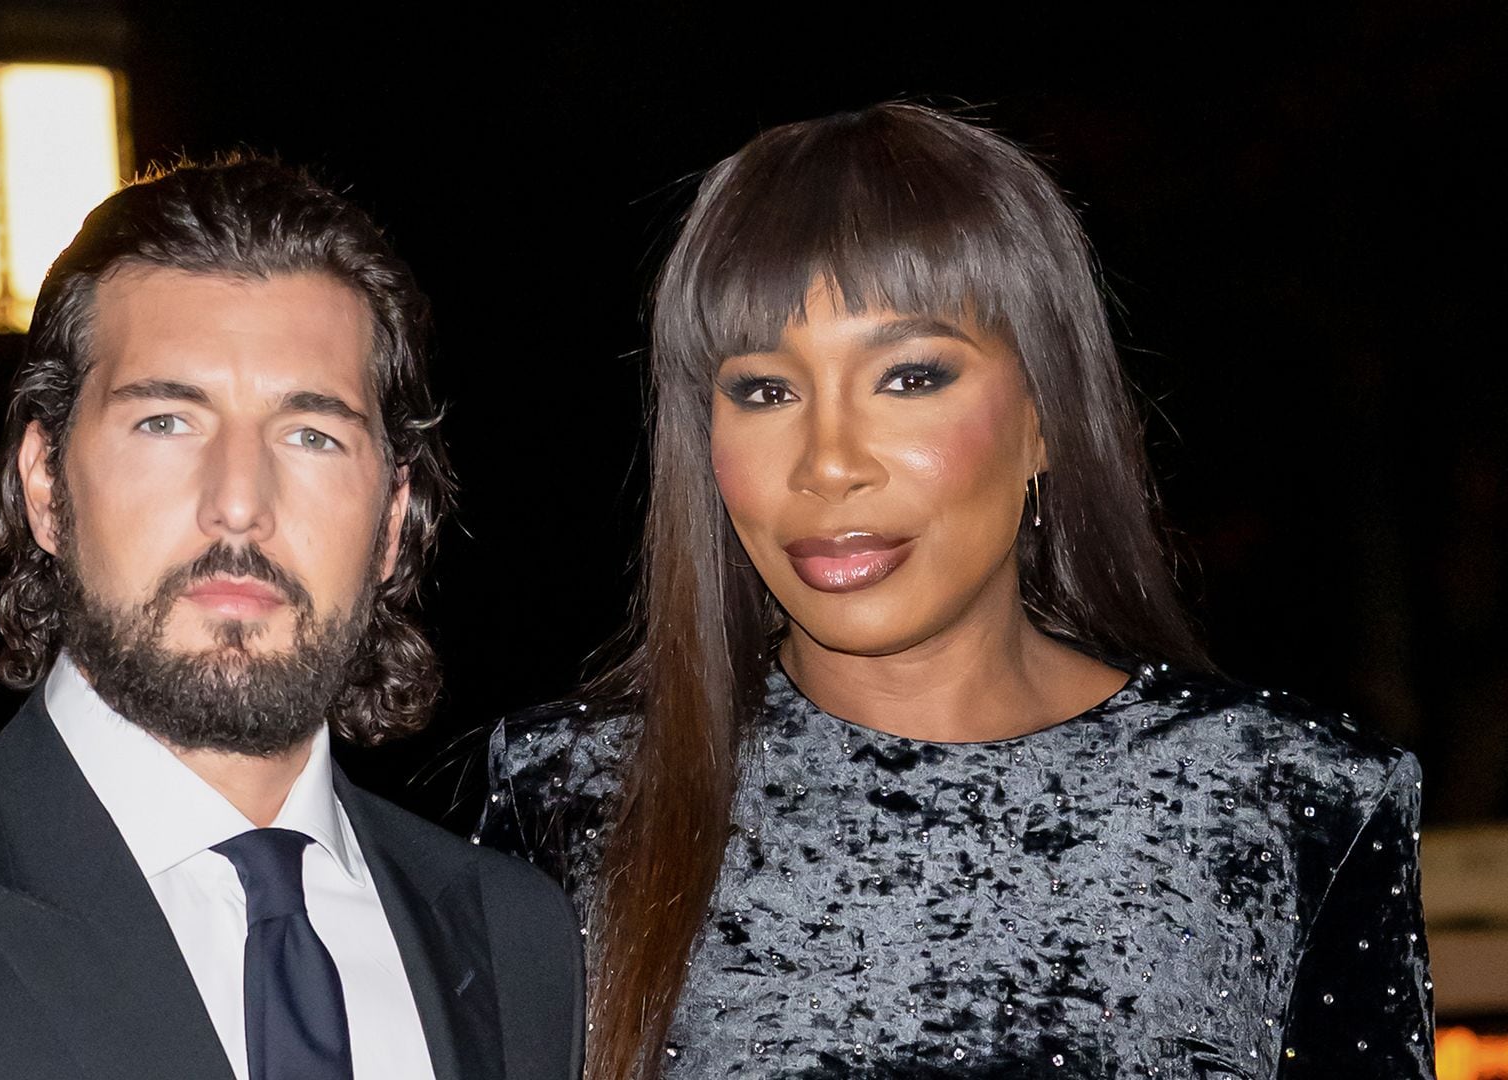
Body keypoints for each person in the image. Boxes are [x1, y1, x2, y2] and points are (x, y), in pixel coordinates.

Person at [480, 104, 1433, 1079]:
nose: (829, 462)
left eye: (908, 376)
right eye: (765, 391)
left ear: (1046, 414)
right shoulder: (574, 793)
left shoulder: (1292, 802)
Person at [0, 157, 584, 1080]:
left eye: (311, 434)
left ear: (392, 519)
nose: (240, 502)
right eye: (167, 422)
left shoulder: (522, 946)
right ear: (45, 485)